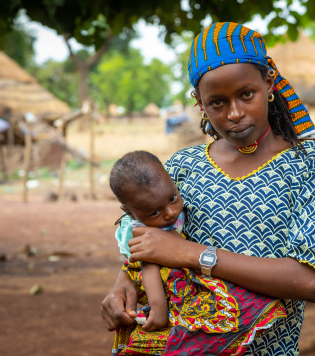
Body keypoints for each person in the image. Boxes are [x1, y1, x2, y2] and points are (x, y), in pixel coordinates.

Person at [101, 21, 315, 355]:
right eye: (216, 102)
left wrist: (191, 254)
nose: (234, 113)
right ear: (199, 103)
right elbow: (146, 239)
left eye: (247, 95)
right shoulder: (181, 167)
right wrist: (122, 287)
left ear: (269, 83)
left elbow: (310, 281)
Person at [109, 150, 287, 355]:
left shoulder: (162, 198)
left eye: (173, 198)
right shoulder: (140, 229)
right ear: (129, 212)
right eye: (155, 212)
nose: (170, 212)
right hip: (160, 278)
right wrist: (158, 307)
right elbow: (147, 263)